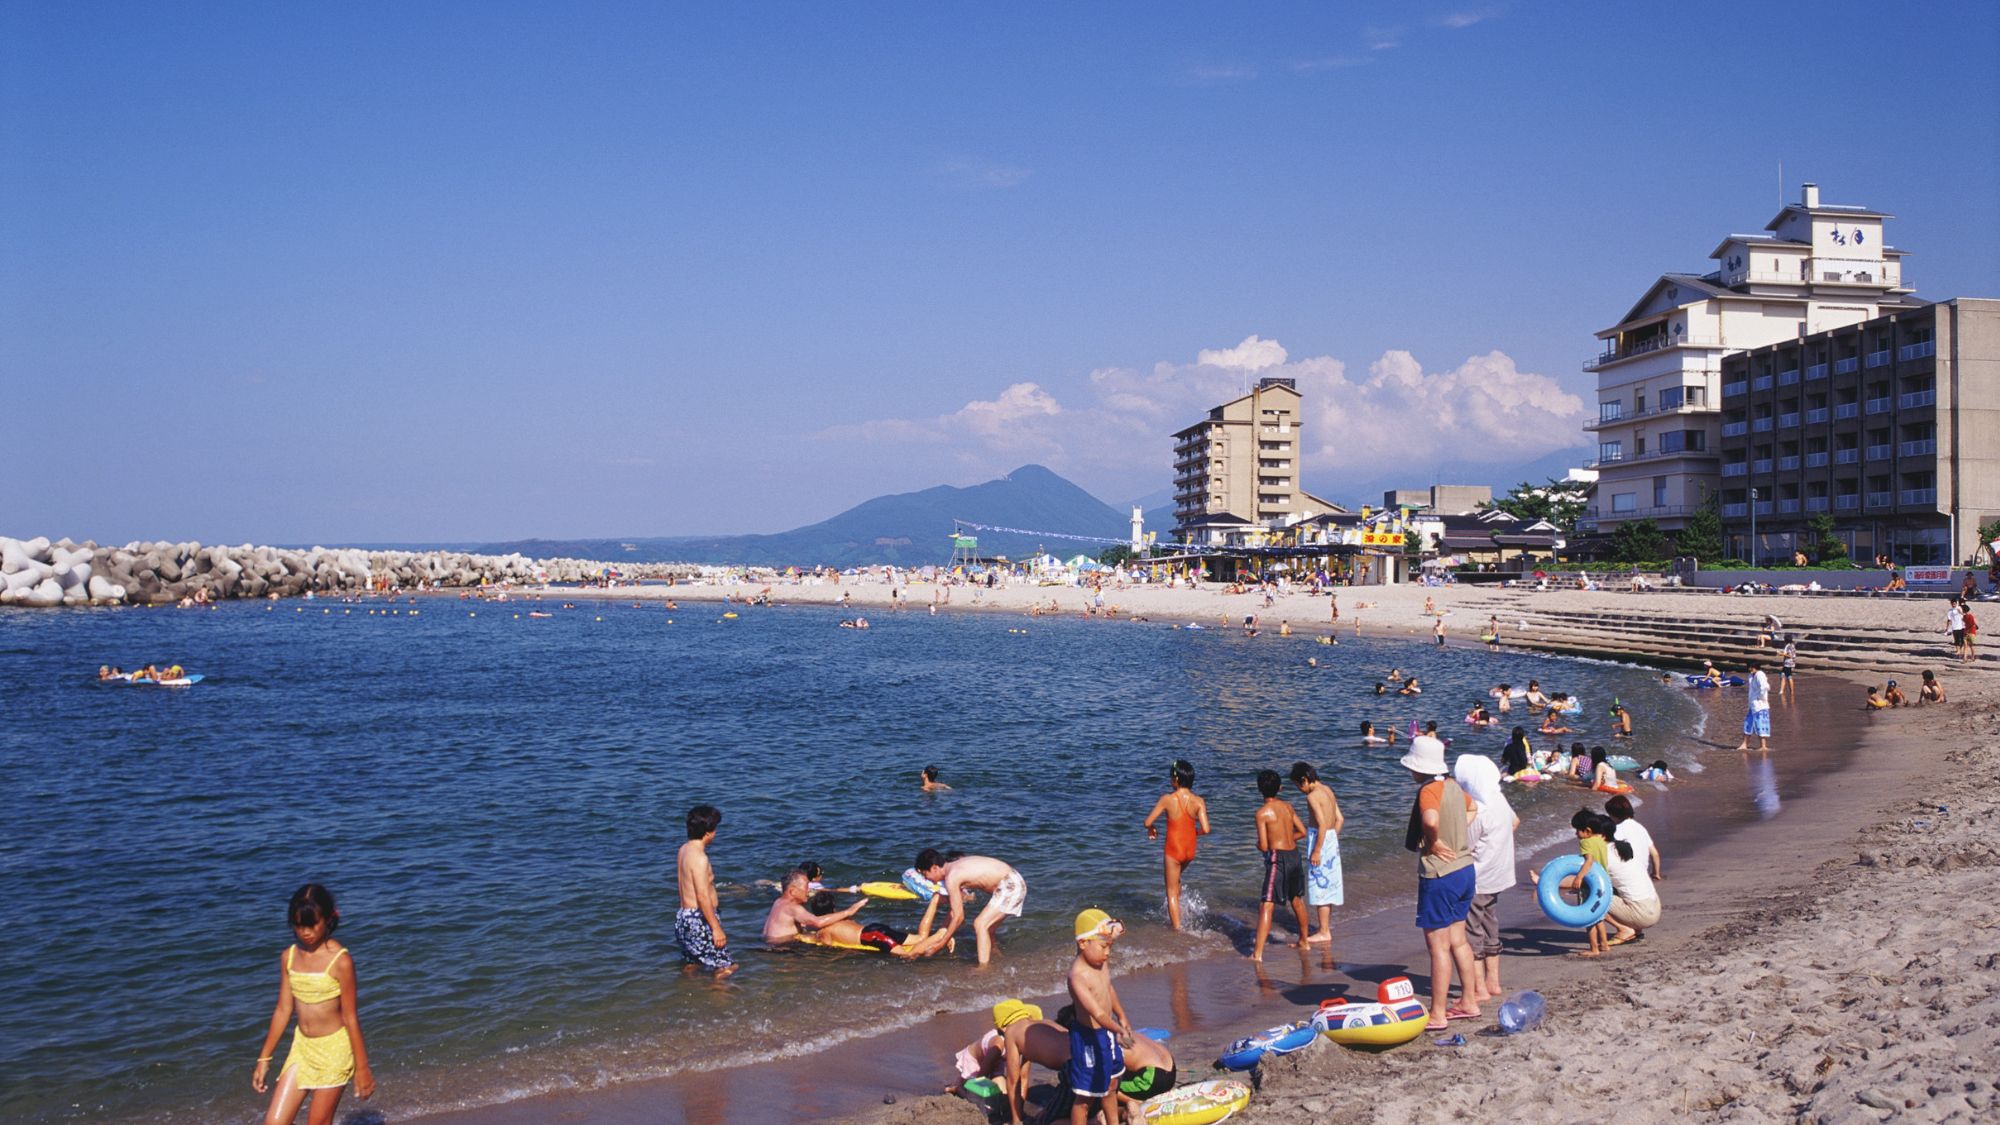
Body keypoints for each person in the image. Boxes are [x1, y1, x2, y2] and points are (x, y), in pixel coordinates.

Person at [252, 884, 375, 1125]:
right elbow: (283, 1010)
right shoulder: (288, 957)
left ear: (329, 919)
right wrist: (264, 1059)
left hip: (334, 1051)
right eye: (299, 925)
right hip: (302, 1049)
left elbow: (351, 1017)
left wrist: (362, 1068)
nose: (305, 932)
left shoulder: (340, 961)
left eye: (312, 924)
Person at [1401, 734, 1480, 1029]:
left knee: (1437, 947)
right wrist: (1457, 833)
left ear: (1420, 767)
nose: (1410, 772)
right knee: (1458, 940)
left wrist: (1433, 842)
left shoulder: (1428, 791)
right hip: (1464, 869)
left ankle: (1438, 1013)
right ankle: (1469, 1000)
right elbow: (1474, 810)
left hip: (1440, 874)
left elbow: (1431, 821)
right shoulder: (1454, 787)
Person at [1453, 754, 1518, 1007]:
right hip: (1499, 872)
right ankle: (1494, 981)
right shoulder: (1498, 797)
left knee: (1472, 930)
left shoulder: (1477, 809)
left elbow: (1463, 845)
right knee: (1491, 924)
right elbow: (1515, 822)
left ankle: (1479, 987)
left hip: (1477, 876)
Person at [1066, 909, 1134, 1125]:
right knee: (1085, 1096)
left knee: (1112, 1085)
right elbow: (1096, 1012)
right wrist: (1119, 1029)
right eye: (1104, 946)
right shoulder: (1078, 976)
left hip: (1108, 1033)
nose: (1108, 953)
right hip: (1088, 1039)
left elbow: (1108, 989)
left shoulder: (1101, 963)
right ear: (1083, 943)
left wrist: (1121, 1015)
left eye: (1110, 947)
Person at [913, 850, 1026, 965]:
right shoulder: (955, 866)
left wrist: (941, 944)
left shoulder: (952, 877)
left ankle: (983, 968)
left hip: (1011, 884)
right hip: (1012, 880)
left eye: (924, 874)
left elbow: (958, 917)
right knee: (988, 928)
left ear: (934, 868)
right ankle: (996, 957)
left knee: (980, 924)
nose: (925, 879)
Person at [1531, 810, 1612, 957]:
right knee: (1598, 916)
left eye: (1577, 830)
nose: (1576, 834)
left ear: (1587, 831)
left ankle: (1594, 949)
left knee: (1588, 918)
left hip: (1589, 885)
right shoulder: (1601, 841)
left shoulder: (1585, 842)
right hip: (1603, 883)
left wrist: (1579, 877)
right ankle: (1604, 944)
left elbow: (1589, 861)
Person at [1142, 760, 1210, 931]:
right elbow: (1206, 829)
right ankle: (1182, 912)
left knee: (1171, 891)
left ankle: (1178, 930)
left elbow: (1147, 821)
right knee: (1176, 880)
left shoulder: (1167, 799)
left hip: (1174, 850)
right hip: (1190, 850)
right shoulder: (1199, 801)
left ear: (1176, 779)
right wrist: (1194, 833)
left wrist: (1152, 829)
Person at [1251, 768, 1310, 961]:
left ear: (1260, 790)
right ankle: (1304, 941)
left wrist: (1259, 845)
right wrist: (1285, 839)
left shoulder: (1261, 813)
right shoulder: (1288, 807)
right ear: (1280, 788)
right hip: (1294, 854)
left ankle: (1257, 954)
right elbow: (1302, 831)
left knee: (1267, 904)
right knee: (1296, 900)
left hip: (1278, 859)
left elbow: (1265, 845)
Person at [1289, 762, 1345, 947]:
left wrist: (1318, 849)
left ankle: (1323, 931)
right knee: (1328, 886)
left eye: (1299, 785)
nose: (1300, 790)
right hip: (1330, 839)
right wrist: (1330, 840)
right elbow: (1340, 819)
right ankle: (1324, 928)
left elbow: (1321, 824)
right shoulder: (1327, 789)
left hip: (1320, 839)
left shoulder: (1313, 796)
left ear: (1304, 780)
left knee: (1320, 886)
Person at [676, 805, 736, 977]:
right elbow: (702, 896)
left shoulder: (684, 850)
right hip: (699, 919)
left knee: (693, 963)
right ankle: (720, 1001)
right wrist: (716, 928)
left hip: (683, 918)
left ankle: (691, 996)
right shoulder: (700, 858)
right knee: (726, 967)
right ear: (709, 832)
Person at [1596, 811, 1660, 947]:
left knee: (1590, 892)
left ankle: (1624, 929)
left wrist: (1541, 880)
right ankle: (1635, 929)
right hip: (1654, 907)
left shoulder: (1604, 855)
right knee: (1616, 886)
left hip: (1642, 913)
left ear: (1601, 836)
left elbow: (1579, 881)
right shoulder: (1621, 847)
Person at [762, 869, 868, 946]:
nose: (808, 891)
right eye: (806, 887)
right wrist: (849, 911)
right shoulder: (793, 908)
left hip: (768, 944)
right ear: (793, 891)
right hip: (783, 949)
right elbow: (818, 922)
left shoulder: (778, 902)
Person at [1604, 794, 1662, 882]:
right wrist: (1655, 874)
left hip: (1627, 875)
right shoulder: (1641, 828)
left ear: (1614, 815)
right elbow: (1655, 854)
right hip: (1643, 874)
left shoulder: (1616, 830)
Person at [1734, 660, 1772, 752]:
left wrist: (1761, 697)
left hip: (1760, 704)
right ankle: (1744, 744)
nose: (1748, 669)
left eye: (1749, 667)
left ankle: (1763, 746)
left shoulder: (1760, 674)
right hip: (1752, 704)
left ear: (1752, 667)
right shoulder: (1751, 676)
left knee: (1761, 724)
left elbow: (1765, 686)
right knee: (1748, 724)